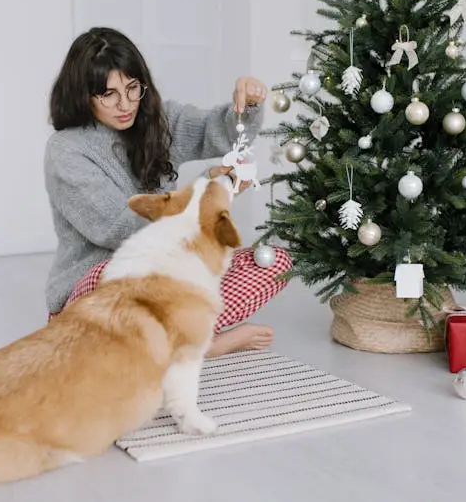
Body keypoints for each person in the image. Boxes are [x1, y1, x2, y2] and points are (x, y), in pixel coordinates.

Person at [43, 27, 292, 357]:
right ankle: (203, 346)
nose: (126, 104)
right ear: (84, 95)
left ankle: (172, 344)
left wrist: (246, 107)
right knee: (121, 274)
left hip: (167, 281)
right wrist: (209, 192)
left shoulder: (158, 121)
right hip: (98, 295)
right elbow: (117, 230)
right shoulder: (66, 150)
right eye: (109, 94)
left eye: (133, 88)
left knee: (274, 262)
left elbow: (218, 133)